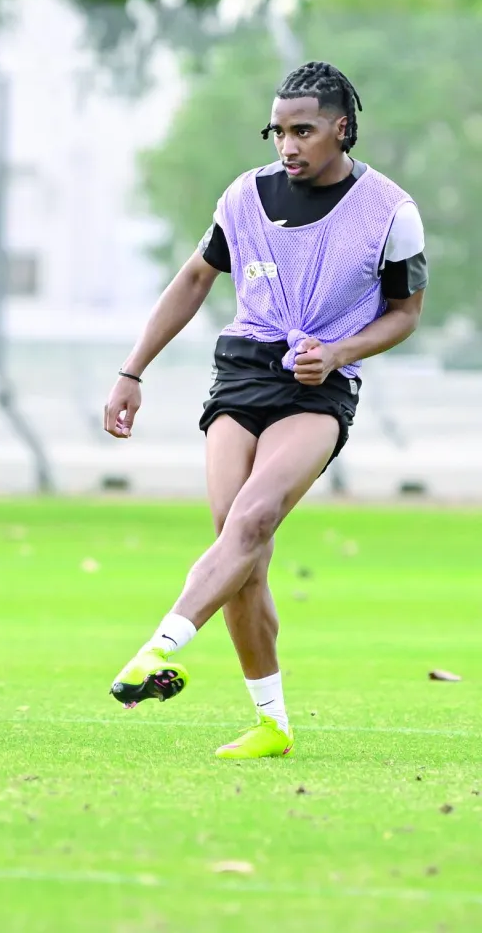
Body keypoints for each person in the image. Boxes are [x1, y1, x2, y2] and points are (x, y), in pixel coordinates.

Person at [103, 61, 427, 759]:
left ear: (343, 128)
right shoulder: (244, 196)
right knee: (239, 547)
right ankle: (272, 723)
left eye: (303, 130)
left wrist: (339, 353)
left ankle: (157, 649)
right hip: (241, 376)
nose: (287, 144)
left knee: (251, 520)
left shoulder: (392, 211)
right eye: (278, 130)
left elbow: (406, 313)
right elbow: (193, 279)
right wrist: (132, 372)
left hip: (317, 388)